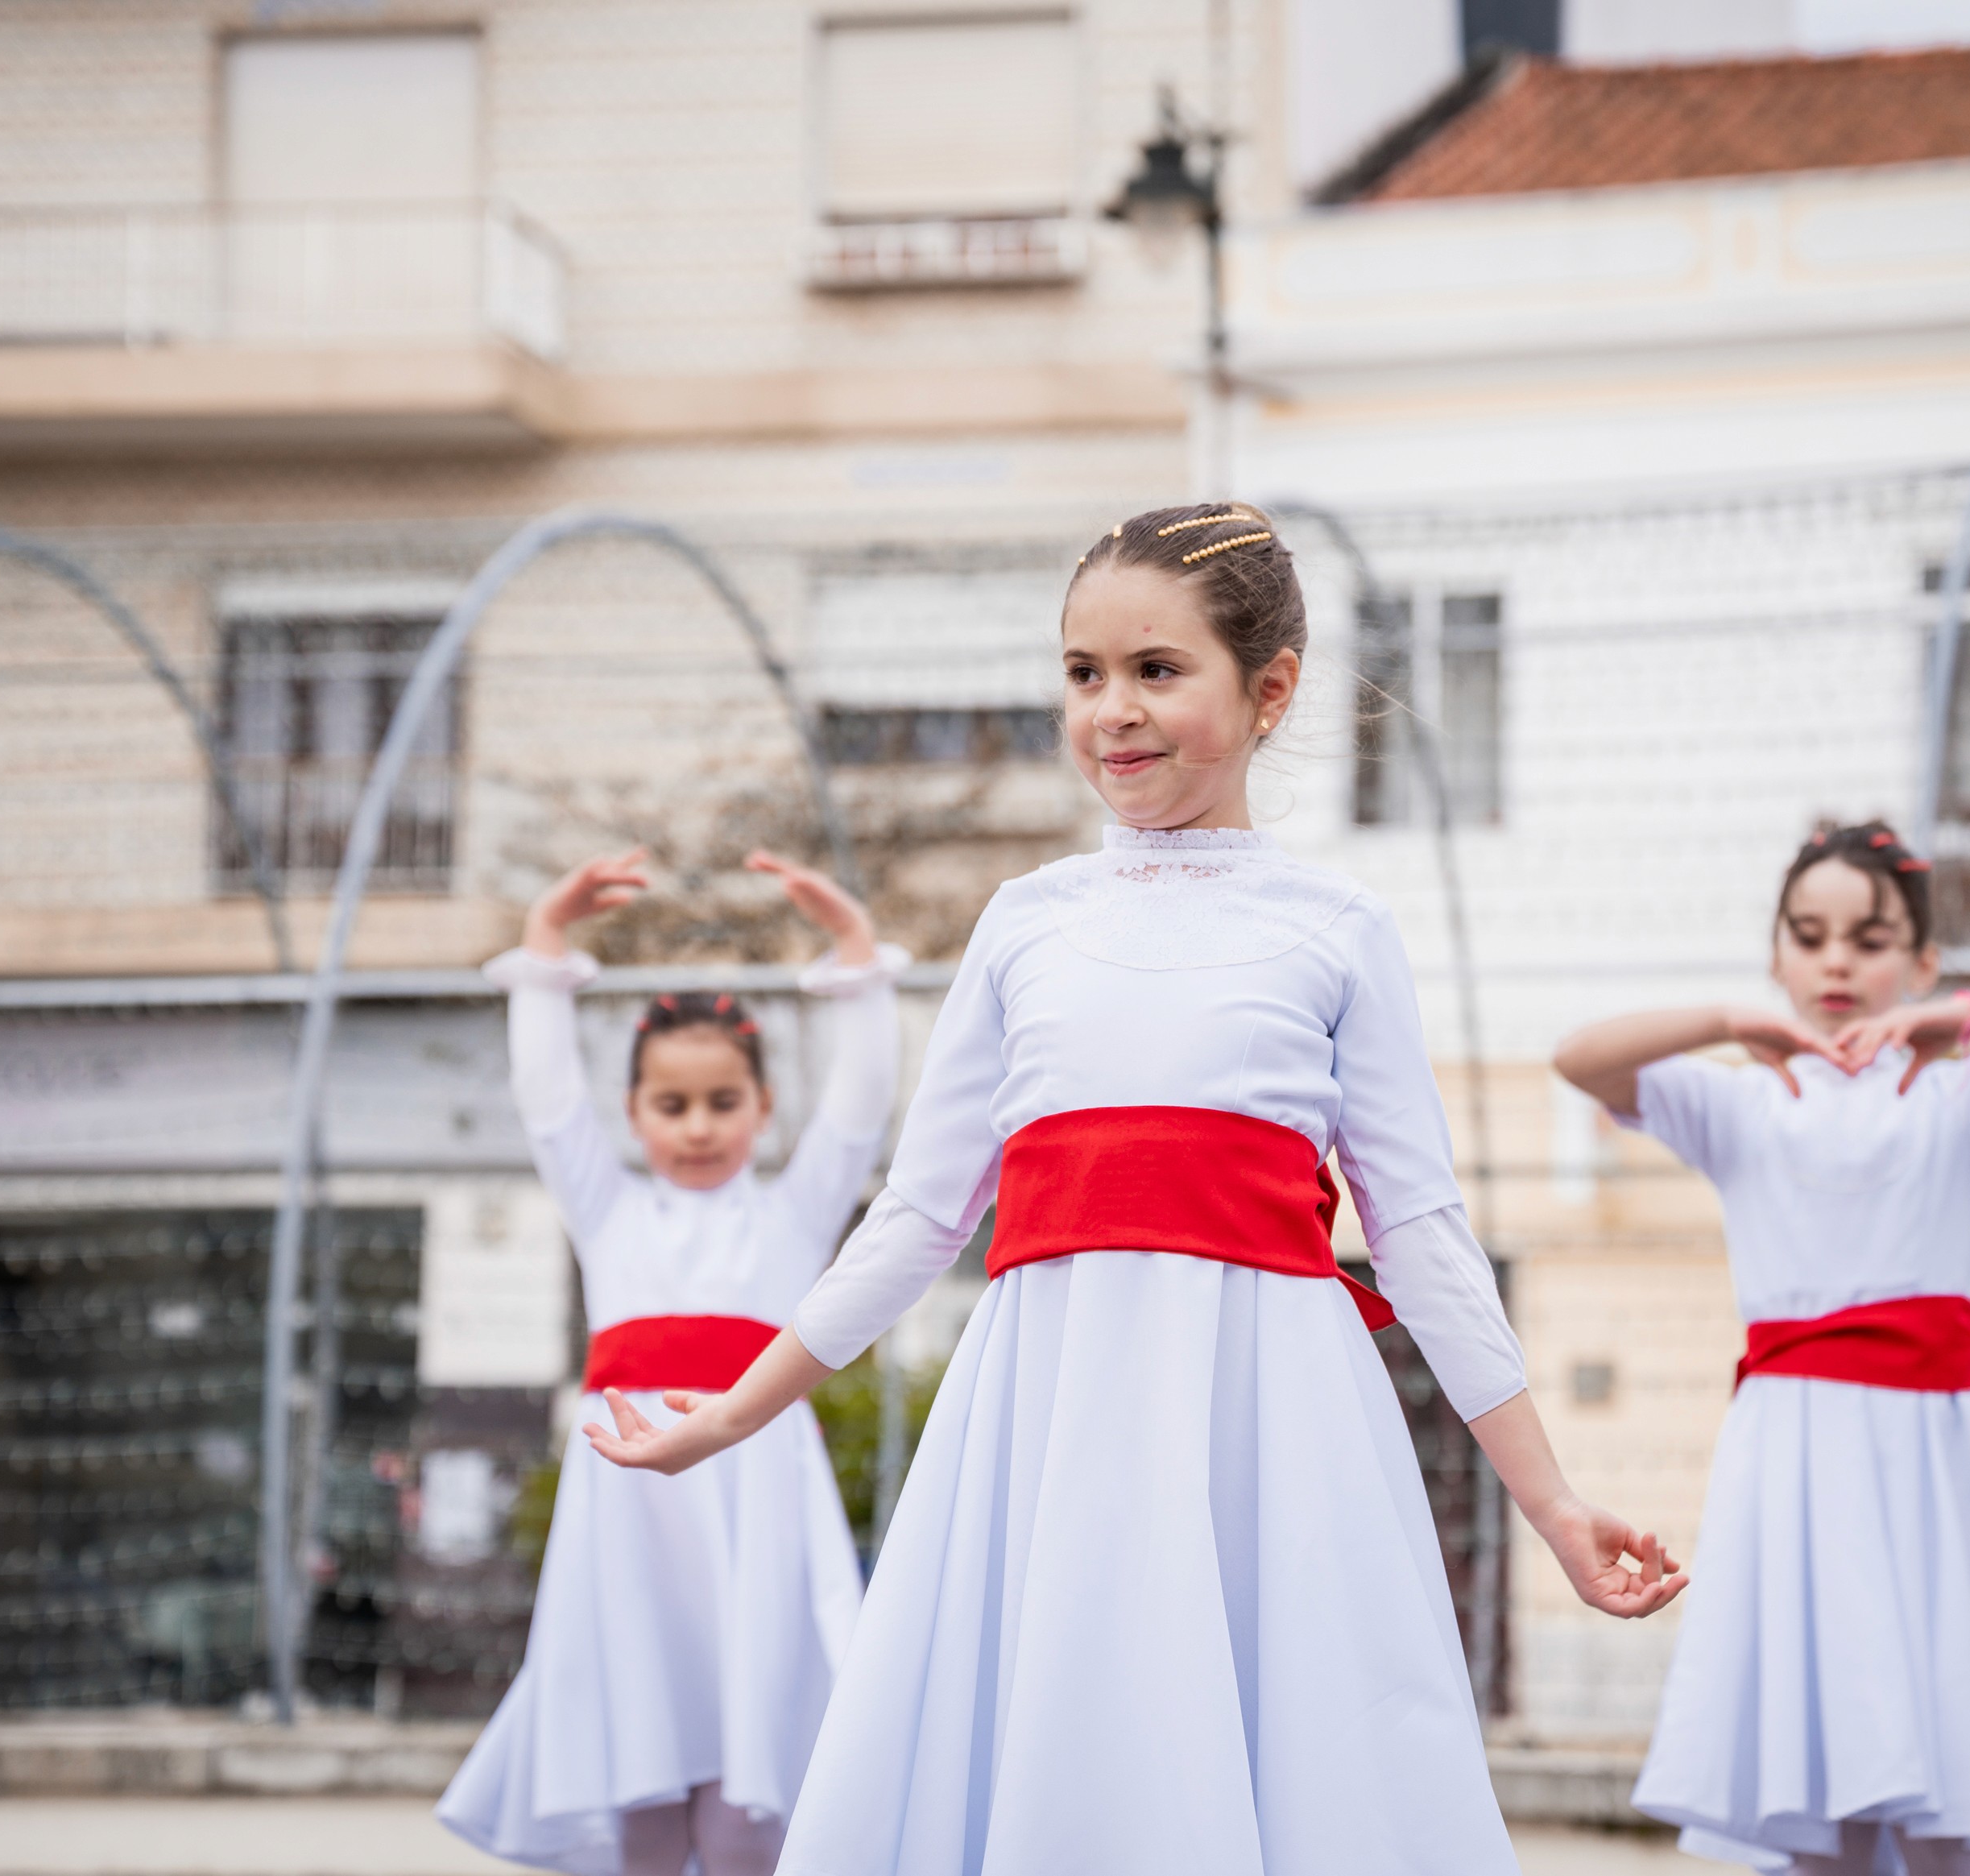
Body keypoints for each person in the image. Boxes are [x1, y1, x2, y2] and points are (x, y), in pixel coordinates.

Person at [585, 504, 1685, 1875]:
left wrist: (1558, 1506)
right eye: (1082, 671)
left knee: (1272, 1767)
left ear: (1269, 689)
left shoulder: (1336, 927)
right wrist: (738, 1411)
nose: (1114, 709)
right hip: (1045, 1419)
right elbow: (923, 1214)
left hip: (1267, 1425)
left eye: (1158, 670)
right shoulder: (1027, 919)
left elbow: (1420, 1233)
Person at [1552, 821, 1970, 1876]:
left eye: (1871, 936)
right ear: (1776, 956)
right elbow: (1580, 1059)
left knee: (1941, 1787)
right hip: (1793, 1454)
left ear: (1922, 958)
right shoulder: (1740, 1100)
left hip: (1934, 1449)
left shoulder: (1964, 1090)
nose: (1839, 960)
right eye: (1808, 936)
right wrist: (1729, 1021)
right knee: (1818, 1783)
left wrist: (1967, 1018)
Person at [437, 848, 905, 1876]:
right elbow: (547, 1098)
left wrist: (854, 954)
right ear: (636, 1110)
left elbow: (863, 1105)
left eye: (722, 1102)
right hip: (632, 1502)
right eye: (672, 1104)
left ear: (762, 1106)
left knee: (752, 1785)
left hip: (755, 1492)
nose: (698, 1127)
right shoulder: (605, 1213)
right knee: (639, 1770)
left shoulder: (794, 1211)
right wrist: (547, 940)